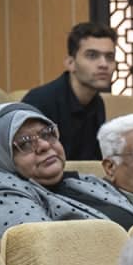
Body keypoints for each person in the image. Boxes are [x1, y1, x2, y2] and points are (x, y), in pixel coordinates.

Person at [0, 102, 133, 246]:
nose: (44, 145)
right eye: (24, 143)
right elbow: (49, 256)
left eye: (47, 133)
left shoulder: (86, 181)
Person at [22, 22, 116, 161]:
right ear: (71, 63)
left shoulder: (97, 102)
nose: (104, 64)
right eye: (92, 55)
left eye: (109, 57)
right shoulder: (39, 101)